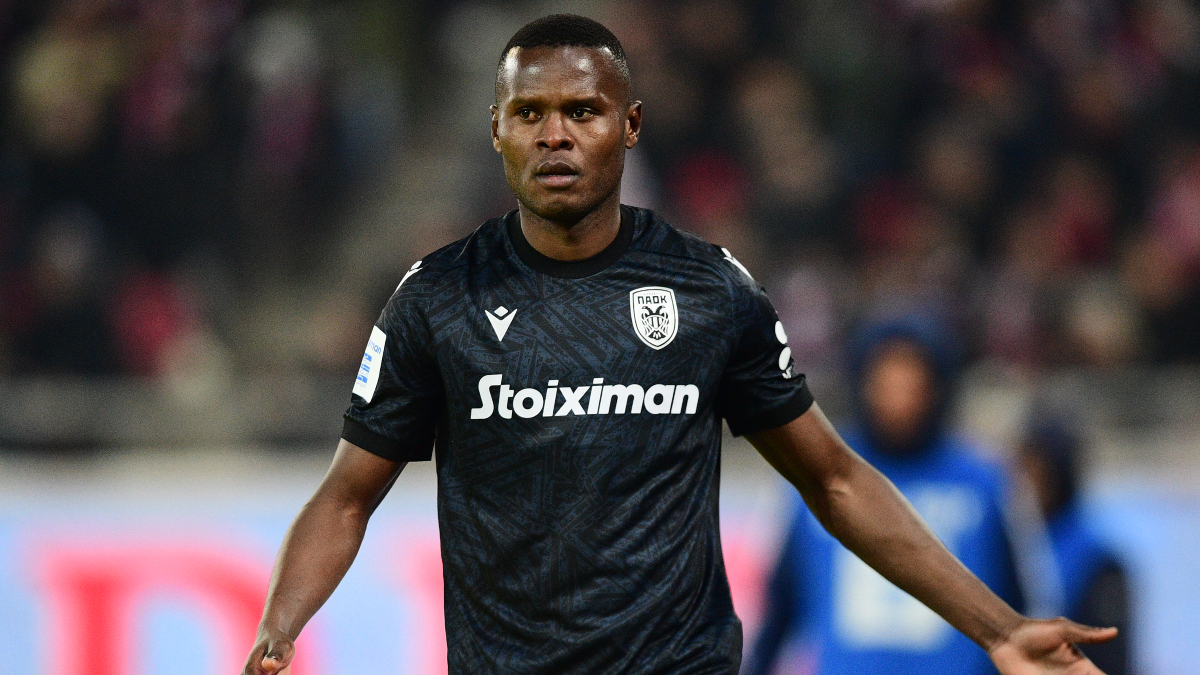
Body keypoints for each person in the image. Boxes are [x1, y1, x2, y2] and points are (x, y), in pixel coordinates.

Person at [242, 14, 1115, 675]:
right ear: (496, 128)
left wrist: (1000, 629)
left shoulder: (709, 291)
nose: (555, 134)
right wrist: (278, 629)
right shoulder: (438, 297)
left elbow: (835, 478)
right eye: (530, 112)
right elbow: (346, 497)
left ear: (629, 125)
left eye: (582, 110)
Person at [744, 314, 1032, 675]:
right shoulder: (814, 470)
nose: (899, 400)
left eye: (912, 384)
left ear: (937, 387)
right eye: (886, 383)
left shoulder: (985, 481)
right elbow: (780, 605)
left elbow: (1022, 603)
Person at [1018, 418, 1134, 675]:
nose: (1024, 484)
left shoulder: (1096, 557)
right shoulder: (1013, 539)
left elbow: (1112, 656)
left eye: (1035, 471)